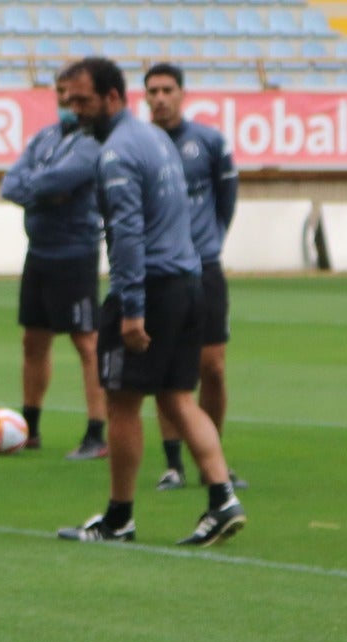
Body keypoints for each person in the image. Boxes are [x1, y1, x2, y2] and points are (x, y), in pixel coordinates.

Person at [55, 57, 245, 547]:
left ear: (113, 98)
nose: (74, 111)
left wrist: (132, 307)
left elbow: (127, 234)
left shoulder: (117, 154)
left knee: (121, 402)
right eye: (69, 100)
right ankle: (223, 498)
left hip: (151, 287)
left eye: (83, 101)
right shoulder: (157, 140)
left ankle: (119, 519)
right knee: (178, 396)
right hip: (188, 279)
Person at [143, 62, 245, 492]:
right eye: (152, 91)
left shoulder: (209, 142)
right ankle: (172, 464)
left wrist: (210, 242)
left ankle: (211, 459)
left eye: (167, 89)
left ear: (183, 94)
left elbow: (226, 201)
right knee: (166, 368)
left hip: (204, 267)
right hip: (162, 270)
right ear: (143, 96)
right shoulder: (139, 145)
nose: (160, 98)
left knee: (213, 368)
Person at [0, 67, 108, 459]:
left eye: (73, 94)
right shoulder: (44, 137)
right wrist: (42, 190)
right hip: (39, 251)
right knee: (34, 339)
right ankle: (30, 428)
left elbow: (62, 180)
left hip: (74, 252)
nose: (66, 101)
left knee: (87, 342)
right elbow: (10, 183)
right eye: (61, 92)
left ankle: (97, 433)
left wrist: (39, 186)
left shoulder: (91, 142)